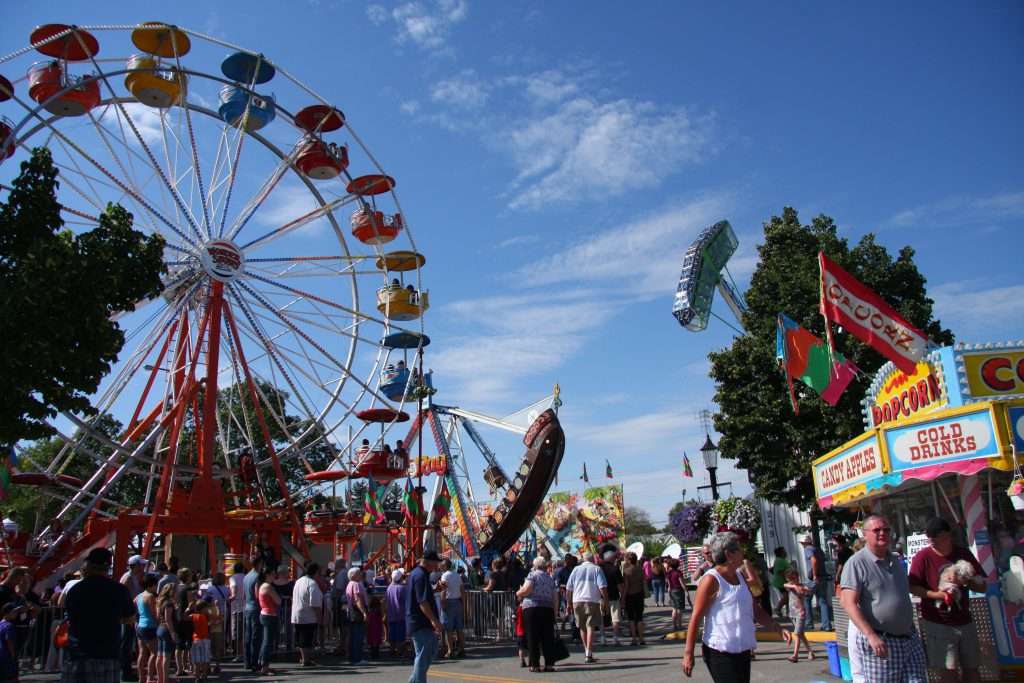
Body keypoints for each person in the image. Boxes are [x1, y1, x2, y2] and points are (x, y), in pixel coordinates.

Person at [682, 532, 788, 683]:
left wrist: (775, 626)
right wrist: (688, 653)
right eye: (738, 549)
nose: (742, 552)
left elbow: (754, 608)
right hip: (719, 651)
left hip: (742, 649)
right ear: (728, 554)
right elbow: (696, 617)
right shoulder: (711, 580)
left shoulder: (740, 576)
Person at [839, 514, 927, 683]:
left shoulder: (895, 559)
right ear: (865, 534)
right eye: (876, 530)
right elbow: (848, 603)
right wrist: (871, 635)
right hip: (881, 640)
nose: (882, 533)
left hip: (909, 638)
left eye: (886, 530)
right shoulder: (856, 563)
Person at [908, 516, 987, 683]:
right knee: (948, 671)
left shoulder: (963, 554)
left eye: (938, 538)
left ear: (948, 535)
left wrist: (965, 581)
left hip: (964, 620)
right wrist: (937, 595)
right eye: (931, 539)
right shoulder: (922, 557)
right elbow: (913, 587)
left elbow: (982, 586)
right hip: (938, 622)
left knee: (972, 668)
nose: (933, 542)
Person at [61, 547, 135, 683]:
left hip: (79, 653)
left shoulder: (76, 590)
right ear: (108, 567)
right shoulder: (119, 590)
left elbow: (69, 615)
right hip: (107, 653)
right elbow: (130, 618)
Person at [406, 550, 444, 683]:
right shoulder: (421, 575)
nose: (436, 565)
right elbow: (422, 601)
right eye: (435, 562)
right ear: (428, 562)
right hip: (420, 621)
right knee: (423, 656)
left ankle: (414, 681)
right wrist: (434, 621)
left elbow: (421, 596)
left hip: (419, 621)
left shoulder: (418, 574)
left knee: (429, 651)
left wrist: (434, 590)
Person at [516, 556, 559, 672]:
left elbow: (527, 590)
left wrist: (518, 592)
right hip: (548, 609)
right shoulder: (550, 578)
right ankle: (549, 664)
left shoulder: (532, 575)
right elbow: (555, 597)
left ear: (535, 566)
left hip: (532, 608)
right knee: (547, 638)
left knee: (532, 636)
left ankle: (534, 665)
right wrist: (555, 613)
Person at [565, 551, 608, 663]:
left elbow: (569, 588)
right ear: (592, 559)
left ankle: (587, 652)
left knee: (582, 627)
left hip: (577, 600)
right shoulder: (597, 569)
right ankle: (589, 653)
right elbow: (602, 587)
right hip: (592, 600)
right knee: (590, 626)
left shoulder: (576, 569)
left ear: (583, 559)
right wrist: (606, 601)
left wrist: (568, 603)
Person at [120, 555, 147, 681]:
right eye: (141, 564)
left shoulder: (135, 577)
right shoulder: (128, 578)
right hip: (128, 616)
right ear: (134, 565)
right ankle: (125, 671)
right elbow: (125, 598)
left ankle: (127, 670)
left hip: (133, 615)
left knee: (129, 643)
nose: (143, 567)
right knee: (126, 643)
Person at [291, 561, 323, 667]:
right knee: (306, 638)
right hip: (308, 615)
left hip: (297, 613)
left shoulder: (299, 581)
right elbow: (314, 602)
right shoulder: (312, 583)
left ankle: (304, 658)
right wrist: (319, 617)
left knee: (300, 637)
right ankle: (306, 659)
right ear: (316, 572)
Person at [799, 533, 832, 631]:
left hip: (813, 579)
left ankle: (809, 624)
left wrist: (814, 575)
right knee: (823, 601)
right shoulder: (818, 549)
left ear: (803, 543)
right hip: (823, 577)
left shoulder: (808, 549)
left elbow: (813, 560)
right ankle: (826, 625)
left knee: (806, 598)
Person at [783, 566, 815, 662]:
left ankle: (795, 655)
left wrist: (804, 589)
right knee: (801, 634)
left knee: (796, 634)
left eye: (795, 578)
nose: (794, 581)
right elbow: (785, 585)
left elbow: (808, 589)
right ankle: (810, 651)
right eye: (791, 579)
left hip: (800, 613)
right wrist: (793, 586)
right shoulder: (791, 586)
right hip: (792, 614)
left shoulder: (801, 586)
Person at [438, 559, 465, 658]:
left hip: (449, 602)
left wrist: (442, 602)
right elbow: (462, 589)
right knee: (459, 628)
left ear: (444, 566)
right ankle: (462, 649)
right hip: (458, 601)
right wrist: (463, 602)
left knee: (448, 629)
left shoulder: (445, 576)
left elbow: (443, 590)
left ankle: (450, 650)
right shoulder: (457, 575)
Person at [257, 566, 281, 676]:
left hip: (265, 614)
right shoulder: (268, 587)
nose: (274, 576)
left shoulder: (261, 585)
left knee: (265, 641)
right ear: (267, 575)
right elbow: (278, 600)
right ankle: (264, 667)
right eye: (272, 574)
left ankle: (263, 664)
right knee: (267, 642)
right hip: (270, 615)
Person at [135, 574, 158, 683]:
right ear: (152, 585)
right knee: (154, 653)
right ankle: (150, 677)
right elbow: (154, 614)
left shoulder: (139, 596)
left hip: (140, 626)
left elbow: (134, 608)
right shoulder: (150, 597)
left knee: (142, 652)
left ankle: (141, 678)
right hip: (150, 626)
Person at [242, 555, 263, 672]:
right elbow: (257, 594)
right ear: (259, 563)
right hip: (256, 608)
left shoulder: (246, 576)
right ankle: (254, 662)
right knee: (256, 636)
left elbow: (245, 595)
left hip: (247, 607)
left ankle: (247, 661)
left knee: (248, 635)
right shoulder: (258, 576)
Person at [598, 550, 623, 646]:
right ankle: (615, 638)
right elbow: (620, 585)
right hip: (614, 596)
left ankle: (602, 637)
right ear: (612, 558)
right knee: (615, 618)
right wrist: (622, 595)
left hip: (601, 597)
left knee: (601, 617)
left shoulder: (599, 568)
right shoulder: (615, 569)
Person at [346, 566, 369, 665]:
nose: (361, 574)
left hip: (352, 612)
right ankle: (357, 658)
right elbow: (357, 599)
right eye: (359, 573)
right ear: (353, 575)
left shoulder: (350, 584)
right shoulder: (356, 584)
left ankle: (353, 658)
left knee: (354, 635)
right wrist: (364, 612)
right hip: (357, 612)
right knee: (358, 636)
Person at [622, 552, 646, 646]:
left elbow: (626, 586)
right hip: (639, 594)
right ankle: (641, 638)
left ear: (628, 560)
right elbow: (643, 582)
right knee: (639, 617)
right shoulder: (640, 569)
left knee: (631, 618)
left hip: (630, 595)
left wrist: (623, 598)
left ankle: (634, 639)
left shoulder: (626, 571)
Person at [154, 585, 176, 683]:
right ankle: (165, 680)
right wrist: (172, 633)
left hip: (160, 628)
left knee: (159, 656)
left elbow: (158, 616)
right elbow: (168, 619)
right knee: (166, 657)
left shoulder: (160, 601)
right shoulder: (169, 603)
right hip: (166, 630)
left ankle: (160, 679)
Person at [386, 569, 408, 658]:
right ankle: (400, 651)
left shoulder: (389, 588)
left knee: (392, 633)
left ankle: (392, 650)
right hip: (401, 614)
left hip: (391, 613)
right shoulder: (402, 588)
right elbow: (407, 601)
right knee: (400, 634)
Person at [0, 602, 24, 683]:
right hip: (8, 658)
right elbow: (10, 642)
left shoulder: (0, 624)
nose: (16, 613)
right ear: (7, 613)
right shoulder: (9, 626)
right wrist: (13, 657)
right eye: (14, 611)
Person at [190, 598, 211, 682]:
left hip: (196, 639)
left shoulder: (193, 616)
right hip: (205, 639)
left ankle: (197, 677)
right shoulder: (205, 617)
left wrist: (189, 608)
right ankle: (204, 675)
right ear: (202, 608)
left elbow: (184, 616)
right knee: (205, 659)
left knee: (196, 660)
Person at [227, 561, 245, 660]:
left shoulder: (233, 578)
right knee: (243, 631)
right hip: (245, 606)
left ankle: (238, 653)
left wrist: (229, 598)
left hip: (236, 607)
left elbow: (233, 591)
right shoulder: (246, 577)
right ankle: (243, 652)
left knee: (236, 632)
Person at [555, 555, 576, 635]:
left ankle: (574, 631)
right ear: (565, 560)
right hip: (565, 594)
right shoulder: (561, 571)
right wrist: (567, 586)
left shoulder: (574, 569)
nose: (570, 561)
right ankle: (569, 627)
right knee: (568, 611)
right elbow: (558, 584)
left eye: (571, 560)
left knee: (571, 612)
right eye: (568, 560)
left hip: (575, 593)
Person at [666, 558, 688, 631]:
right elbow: (682, 583)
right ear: (677, 565)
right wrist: (686, 590)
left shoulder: (669, 573)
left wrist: (669, 591)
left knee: (674, 608)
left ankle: (674, 625)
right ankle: (679, 625)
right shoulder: (678, 572)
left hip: (672, 590)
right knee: (679, 609)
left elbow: (669, 584)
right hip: (679, 591)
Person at [770, 547, 790, 618]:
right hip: (781, 583)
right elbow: (781, 572)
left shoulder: (780, 560)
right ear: (781, 553)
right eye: (784, 551)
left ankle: (788, 612)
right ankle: (778, 609)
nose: (786, 552)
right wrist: (788, 580)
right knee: (786, 597)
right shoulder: (780, 560)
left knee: (788, 597)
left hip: (783, 582)